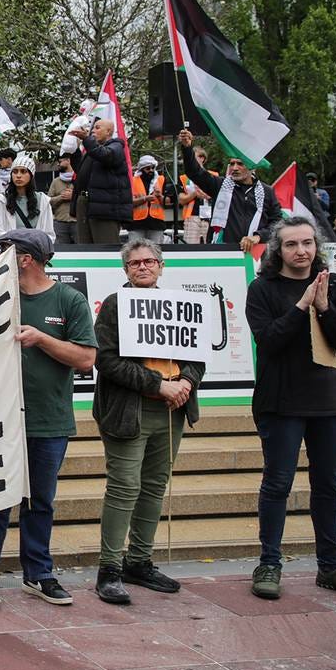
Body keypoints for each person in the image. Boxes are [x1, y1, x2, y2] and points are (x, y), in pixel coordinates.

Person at [0, 229, 97, 608]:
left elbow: (87, 359)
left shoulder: (69, 300)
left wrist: (41, 339)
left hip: (48, 421)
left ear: (24, 258)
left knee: (40, 501)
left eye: (2, 252)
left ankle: (38, 573)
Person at [89, 239, 205, 604]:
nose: (143, 267)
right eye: (135, 263)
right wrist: (158, 386)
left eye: (150, 261)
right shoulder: (114, 305)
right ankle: (109, 568)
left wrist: (186, 381)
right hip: (129, 410)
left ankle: (139, 561)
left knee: (154, 487)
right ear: (125, 270)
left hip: (173, 412)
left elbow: (197, 354)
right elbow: (106, 360)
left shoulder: (179, 304)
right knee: (124, 488)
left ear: (161, 266)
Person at [244, 216, 336, 600]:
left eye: (307, 243)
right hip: (281, 402)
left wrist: (323, 307)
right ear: (278, 250)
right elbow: (269, 342)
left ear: (316, 246)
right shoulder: (262, 288)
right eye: (292, 245)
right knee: (278, 483)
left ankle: (331, 566)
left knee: (329, 485)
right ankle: (269, 563)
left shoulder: (335, 285)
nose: (301, 251)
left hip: (329, 401)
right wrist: (303, 304)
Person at [177, 129, 281, 252]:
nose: (234, 168)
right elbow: (194, 172)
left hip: (257, 254)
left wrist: (258, 236)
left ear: (253, 168)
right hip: (224, 253)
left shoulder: (267, 191)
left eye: (240, 164)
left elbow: (278, 223)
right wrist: (187, 147)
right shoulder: (220, 185)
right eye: (232, 164)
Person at [67, 117, 132, 244]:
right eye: (92, 128)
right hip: (86, 204)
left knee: (105, 247)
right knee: (85, 247)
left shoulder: (116, 147)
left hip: (104, 208)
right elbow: (80, 171)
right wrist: (73, 150)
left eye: (97, 128)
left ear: (108, 131)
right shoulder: (93, 151)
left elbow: (105, 156)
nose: (92, 131)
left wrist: (86, 139)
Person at [0, 154, 53, 242]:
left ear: (31, 175)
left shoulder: (43, 201)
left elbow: (49, 234)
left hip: (35, 252)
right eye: (15, 172)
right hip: (9, 251)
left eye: (23, 171)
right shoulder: (2, 200)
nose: (18, 175)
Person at [177, 146, 216, 244]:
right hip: (192, 217)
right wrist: (194, 194)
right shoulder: (184, 178)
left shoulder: (214, 175)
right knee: (190, 249)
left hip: (211, 217)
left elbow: (220, 196)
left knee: (211, 247)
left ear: (202, 158)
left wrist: (208, 195)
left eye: (194, 157)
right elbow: (180, 199)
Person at [128, 155, 169, 242]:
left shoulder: (161, 180)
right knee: (135, 250)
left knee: (155, 251)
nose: (151, 170)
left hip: (156, 223)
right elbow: (128, 203)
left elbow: (167, 203)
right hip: (136, 224)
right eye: (147, 168)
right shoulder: (132, 180)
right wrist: (144, 199)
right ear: (141, 169)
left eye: (153, 167)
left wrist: (159, 196)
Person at [48, 154, 77, 246]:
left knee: (81, 251)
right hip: (60, 224)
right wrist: (61, 197)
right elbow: (48, 201)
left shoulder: (79, 179)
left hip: (77, 223)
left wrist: (74, 196)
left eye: (60, 162)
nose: (58, 164)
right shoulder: (55, 182)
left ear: (68, 161)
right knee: (61, 251)